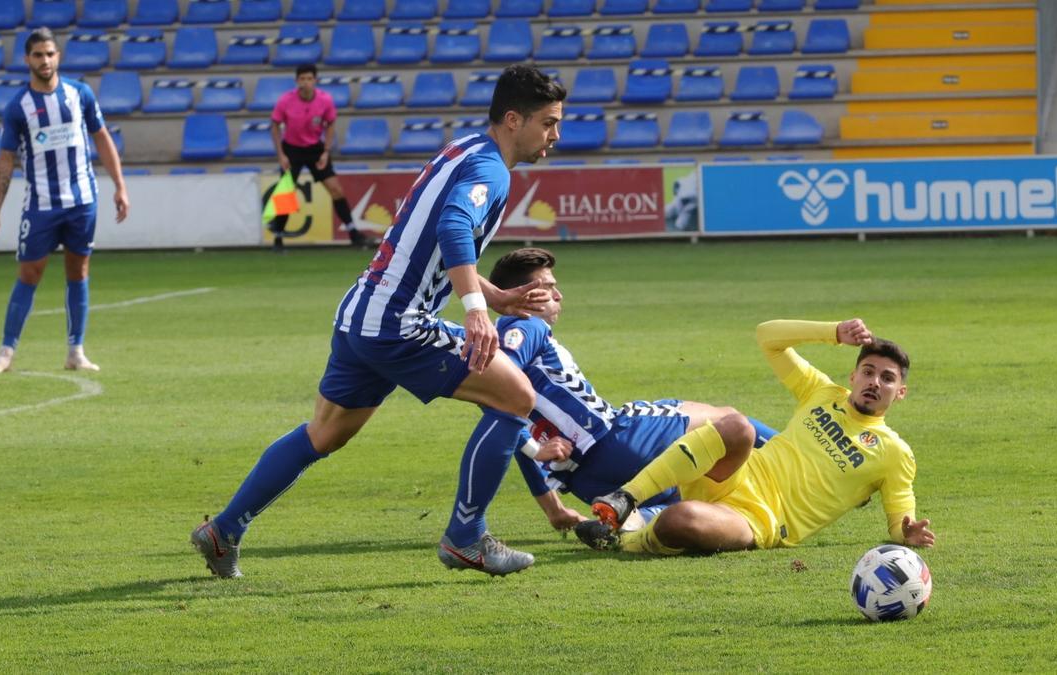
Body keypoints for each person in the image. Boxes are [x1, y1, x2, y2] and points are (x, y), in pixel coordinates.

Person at [191, 65, 567, 579]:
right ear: (512, 119)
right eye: (547, 123)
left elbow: (430, 244)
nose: (555, 136)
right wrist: (476, 312)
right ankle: (466, 537)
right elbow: (454, 223)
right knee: (517, 396)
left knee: (323, 434)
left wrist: (495, 294)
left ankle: (224, 530)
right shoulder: (491, 170)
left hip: (362, 314)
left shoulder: (467, 149)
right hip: (398, 323)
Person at [441, 248, 778, 569]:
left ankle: (627, 524)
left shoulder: (507, 344)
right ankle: (791, 448)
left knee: (679, 507)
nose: (559, 296)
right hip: (615, 438)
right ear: (523, 294)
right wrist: (538, 449)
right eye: (548, 287)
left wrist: (554, 508)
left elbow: (504, 420)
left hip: (586, 483)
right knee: (729, 419)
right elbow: (498, 377)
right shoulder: (528, 326)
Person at [574, 318, 936, 556]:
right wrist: (833, 332)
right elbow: (768, 337)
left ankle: (625, 540)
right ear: (853, 376)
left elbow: (898, 521)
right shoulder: (823, 393)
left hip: (758, 519)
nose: (875, 382)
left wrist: (908, 534)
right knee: (737, 425)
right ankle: (625, 499)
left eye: (887, 378)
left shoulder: (894, 453)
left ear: (899, 392)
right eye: (868, 372)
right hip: (738, 473)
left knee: (679, 521)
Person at [0, 27, 129, 375]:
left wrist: (120, 185)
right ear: (27, 59)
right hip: (41, 204)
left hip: (82, 201)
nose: (44, 61)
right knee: (29, 273)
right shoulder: (19, 107)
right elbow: (5, 160)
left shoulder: (80, 94)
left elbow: (102, 138)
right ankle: (5, 352)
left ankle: (76, 350)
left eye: (50, 54)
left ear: (58, 56)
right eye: (37, 55)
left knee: (80, 271)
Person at [270, 63, 377, 248]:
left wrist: (326, 152)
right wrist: (281, 155)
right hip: (292, 149)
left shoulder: (325, 100)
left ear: (315, 81)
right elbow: (274, 126)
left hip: (315, 149)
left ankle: (353, 232)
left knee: (335, 189)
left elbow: (331, 124)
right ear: (297, 81)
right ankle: (278, 237)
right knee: (286, 192)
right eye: (302, 79)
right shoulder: (285, 101)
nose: (306, 82)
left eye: (309, 79)